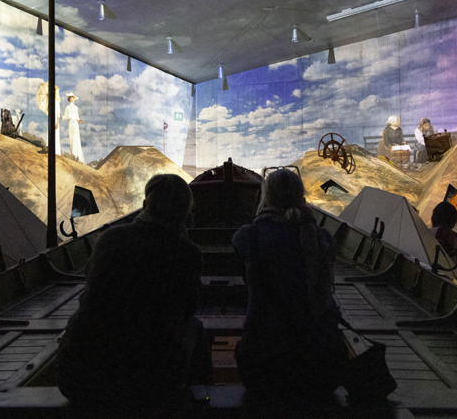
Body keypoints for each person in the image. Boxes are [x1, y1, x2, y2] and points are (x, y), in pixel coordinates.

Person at [53, 174, 208, 415]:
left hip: (77, 377)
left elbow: (88, 296)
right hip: (147, 386)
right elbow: (188, 309)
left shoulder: (109, 238)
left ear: (146, 205)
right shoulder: (187, 253)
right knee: (195, 328)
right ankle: (203, 400)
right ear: (186, 212)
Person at [232, 169, 348, 408]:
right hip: (321, 365)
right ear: (300, 196)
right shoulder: (324, 239)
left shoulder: (247, 238)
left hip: (264, 365)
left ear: (266, 197)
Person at [35, 82, 61, 155]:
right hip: (50, 119)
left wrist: (57, 123)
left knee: (55, 133)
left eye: (55, 93)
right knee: (50, 133)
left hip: (55, 119)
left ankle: (56, 151)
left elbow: (58, 113)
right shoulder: (50, 102)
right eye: (53, 93)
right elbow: (48, 110)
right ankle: (49, 148)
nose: (55, 94)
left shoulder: (57, 102)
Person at [62, 92, 84, 163]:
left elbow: (77, 117)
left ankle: (78, 156)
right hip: (71, 123)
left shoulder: (76, 107)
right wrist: (61, 116)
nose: (73, 99)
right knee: (72, 138)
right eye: (71, 97)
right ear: (69, 99)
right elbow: (65, 116)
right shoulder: (67, 107)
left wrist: (79, 120)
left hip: (76, 124)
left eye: (73, 97)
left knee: (76, 138)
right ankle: (73, 155)